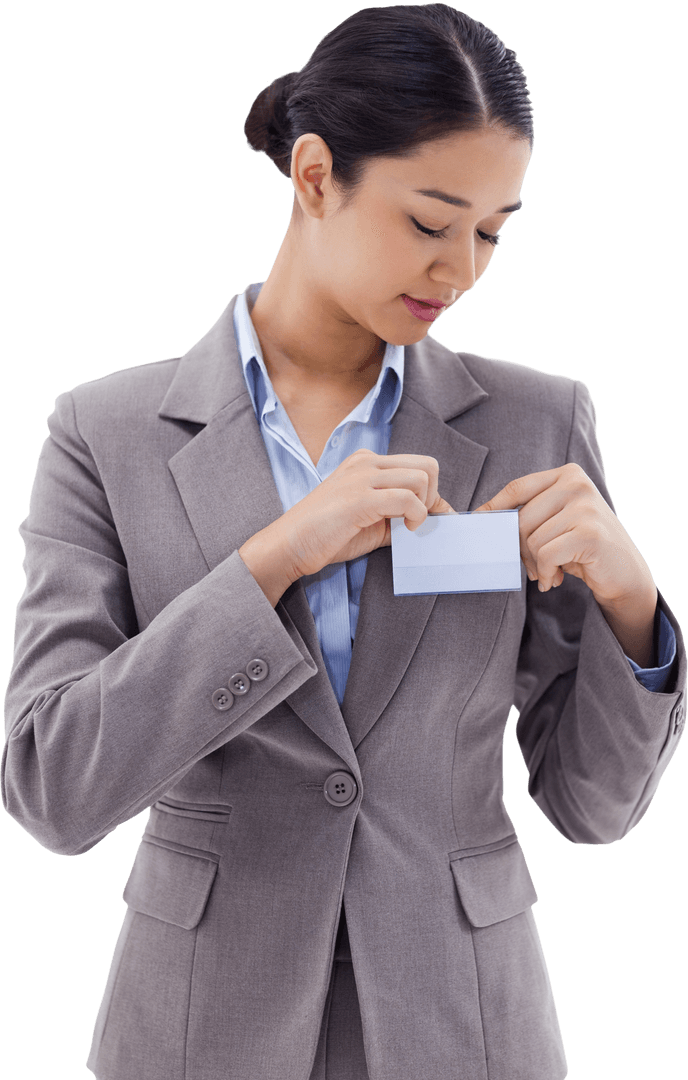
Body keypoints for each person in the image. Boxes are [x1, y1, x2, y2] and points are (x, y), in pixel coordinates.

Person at [2, 5, 685, 1079]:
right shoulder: (105, 434)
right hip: (198, 1033)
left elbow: (591, 809)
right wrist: (274, 559)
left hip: (466, 1031)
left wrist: (634, 607)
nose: (460, 269)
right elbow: (52, 787)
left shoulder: (535, 422)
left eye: (493, 230)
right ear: (314, 176)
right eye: (429, 221)